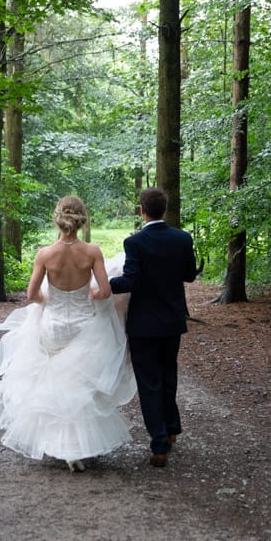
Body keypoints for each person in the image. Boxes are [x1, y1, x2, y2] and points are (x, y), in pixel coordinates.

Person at [0, 196, 136, 472]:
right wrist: (88, 295)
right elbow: (105, 290)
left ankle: (59, 445)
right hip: (83, 324)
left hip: (52, 326)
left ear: (58, 219)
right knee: (79, 385)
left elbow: (32, 295)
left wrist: (50, 299)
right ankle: (77, 446)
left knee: (52, 385)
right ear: (81, 220)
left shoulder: (45, 254)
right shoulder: (92, 252)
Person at [109, 187, 199, 468]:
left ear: (142, 210)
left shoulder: (134, 243)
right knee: (168, 374)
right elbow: (189, 276)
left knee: (149, 383)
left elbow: (130, 281)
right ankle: (171, 429)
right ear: (165, 208)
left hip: (143, 325)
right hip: (172, 321)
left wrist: (103, 283)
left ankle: (159, 444)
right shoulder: (183, 238)